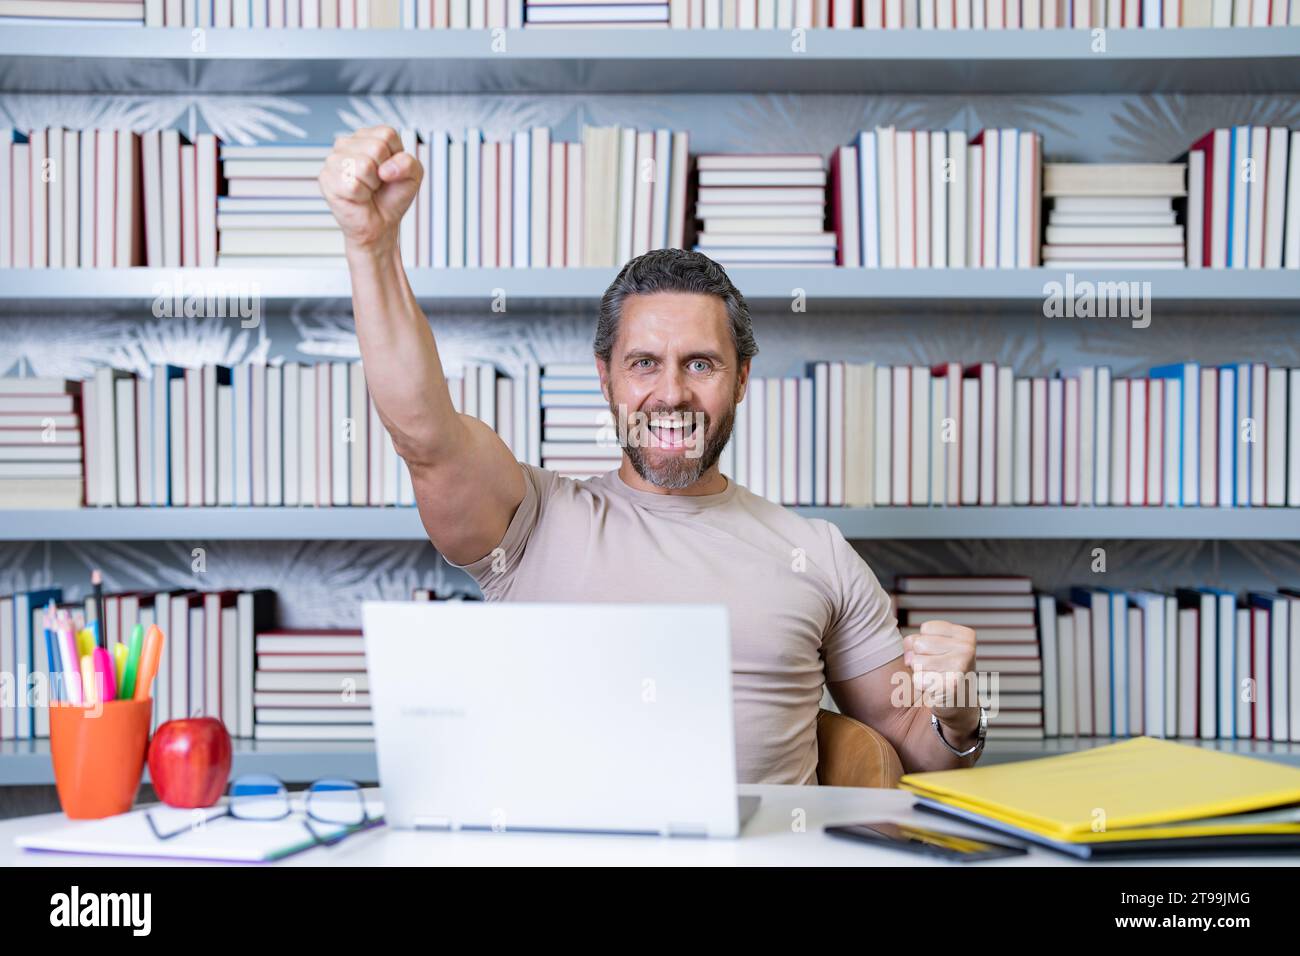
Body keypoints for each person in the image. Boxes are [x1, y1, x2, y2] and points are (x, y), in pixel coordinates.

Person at [320, 125, 985, 784]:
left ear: (743, 378)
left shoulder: (819, 553)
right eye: (644, 363)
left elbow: (908, 739)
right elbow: (424, 435)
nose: (671, 394)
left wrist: (957, 718)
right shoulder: (526, 522)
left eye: (701, 363)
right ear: (605, 376)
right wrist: (370, 247)